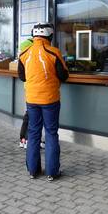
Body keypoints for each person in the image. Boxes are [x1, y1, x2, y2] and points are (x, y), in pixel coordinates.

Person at [18, 23, 69, 181]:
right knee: (51, 133)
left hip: (31, 99)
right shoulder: (53, 52)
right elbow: (64, 75)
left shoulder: (25, 53)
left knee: (33, 133)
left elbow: (22, 76)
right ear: (50, 36)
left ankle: (33, 171)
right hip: (50, 99)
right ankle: (52, 172)